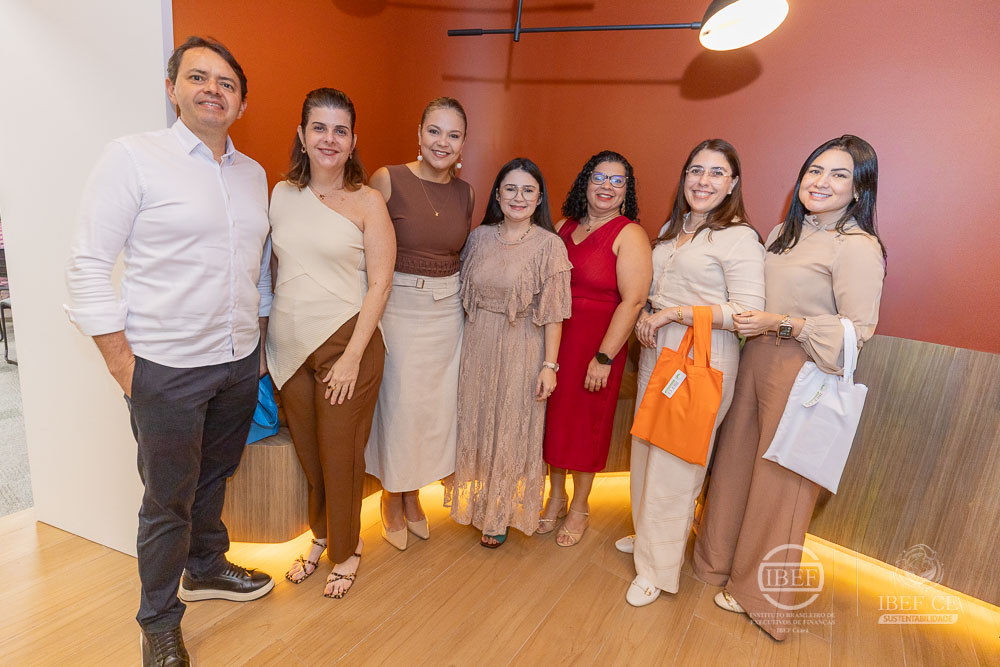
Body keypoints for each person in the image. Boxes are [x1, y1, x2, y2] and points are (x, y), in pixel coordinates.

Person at [65, 36, 273, 666]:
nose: (213, 90)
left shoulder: (253, 174)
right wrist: (123, 365)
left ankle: (205, 567)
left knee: (214, 476)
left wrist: (258, 346)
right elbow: (88, 264)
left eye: (226, 83)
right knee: (166, 500)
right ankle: (157, 619)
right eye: (198, 77)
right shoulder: (133, 158)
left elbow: (257, 267)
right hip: (166, 369)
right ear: (172, 88)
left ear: (241, 102)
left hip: (237, 362)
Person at [692, 135, 886, 640]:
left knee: (782, 486)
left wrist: (784, 324)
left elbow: (859, 331)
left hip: (803, 370)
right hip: (754, 359)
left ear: (859, 190)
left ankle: (759, 596)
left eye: (839, 175)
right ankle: (715, 562)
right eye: (815, 170)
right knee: (734, 467)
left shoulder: (858, 247)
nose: (821, 182)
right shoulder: (784, 232)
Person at [619, 139, 765, 606]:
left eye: (717, 173)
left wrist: (674, 313)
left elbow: (746, 311)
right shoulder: (674, 227)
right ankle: (647, 537)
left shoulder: (740, 237)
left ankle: (657, 570)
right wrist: (651, 314)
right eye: (696, 170)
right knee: (646, 445)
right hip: (657, 349)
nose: (704, 181)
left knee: (677, 462)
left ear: (733, 184)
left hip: (704, 355)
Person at [266, 88, 394, 599]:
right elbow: (271, 272)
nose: (329, 139)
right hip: (289, 346)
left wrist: (353, 358)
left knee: (341, 457)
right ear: (301, 135)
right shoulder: (280, 195)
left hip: (347, 343)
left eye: (340, 130)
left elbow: (380, 284)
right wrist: (263, 344)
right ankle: (321, 536)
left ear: (353, 141)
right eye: (319, 128)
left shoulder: (368, 201)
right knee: (312, 457)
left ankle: (347, 549)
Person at [364, 97, 474, 549]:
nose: (442, 142)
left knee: (433, 410)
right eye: (434, 131)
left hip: (447, 313)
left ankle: (413, 495)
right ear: (419, 133)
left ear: (463, 144)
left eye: (453, 134)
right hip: (399, 307)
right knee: (399, 405)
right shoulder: (387, 179)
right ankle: (392, 494)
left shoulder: (466, 193)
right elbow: (366, 249)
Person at [446, 158, 572, 547]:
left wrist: (549, 366)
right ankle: (479, 502)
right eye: (511, 189)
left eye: (528, 190)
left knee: (511, 428)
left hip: (523, 346)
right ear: (498, 194)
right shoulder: (478, 237)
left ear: (539, 198)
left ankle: (499, 512)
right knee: (478, 421)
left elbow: (554, 313)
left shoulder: (550, 245)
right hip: (477, 343)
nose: (518, 197)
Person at [539, 150, 652, 546]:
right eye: (599, 177)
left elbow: (634, 301)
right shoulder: (562, 227)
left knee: (587, 426)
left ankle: (580, 506)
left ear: (626, 191)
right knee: (554, 421)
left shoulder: (629, 234)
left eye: (617, 181)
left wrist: (604, 357)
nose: (607, 186)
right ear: (585, 183)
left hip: (598, 346)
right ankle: (555, 497)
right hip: (557, 342)